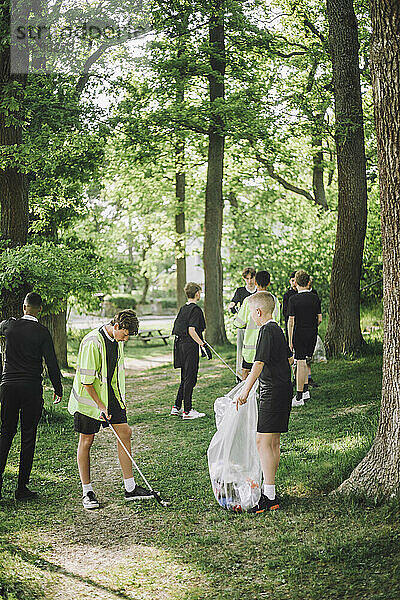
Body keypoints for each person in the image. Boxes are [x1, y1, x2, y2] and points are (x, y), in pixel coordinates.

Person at [68, 309, 153, 509]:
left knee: (125, 432)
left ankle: (130, 488)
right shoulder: (92, 342)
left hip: (110, 397)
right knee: (86, 440)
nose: (125, 339)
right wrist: (100, 405)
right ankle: (87, 492)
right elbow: (86, 381)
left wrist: (116, 401)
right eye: (124, 334)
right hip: (89, 401)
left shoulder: (117, 341)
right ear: (116, 326)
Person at [0, 292, 62, 500]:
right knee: (28, 436)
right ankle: (21, 489)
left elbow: (2, 325)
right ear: (40, 310)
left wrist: (10, 321)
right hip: (31, 388)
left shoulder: (10, 327)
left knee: (6, 432)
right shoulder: (42, 332)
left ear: (24, 307)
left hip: (8, 386)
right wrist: (58, 388)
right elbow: (52, 363)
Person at [236, 291, 293, 512]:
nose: (251, 316)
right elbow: (289, 358)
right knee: (273, 443)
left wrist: (245, 391)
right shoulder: (277, 329)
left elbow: (257, 365)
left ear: (258, 311)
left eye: (251, 312)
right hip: (283, 388)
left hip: (272, 391)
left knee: (262, 442)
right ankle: (271, 490)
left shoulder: (265, 331)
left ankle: (269, 496)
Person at [171, 282, 211, 420]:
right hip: (189, 346)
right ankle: (187, 411)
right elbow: (191, 330)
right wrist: (203, 345)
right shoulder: (196, 309)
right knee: (190, 378)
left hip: (179, 345)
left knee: (185, 377)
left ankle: (176, 407)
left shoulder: (183, 308)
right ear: (197, 293)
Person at [235, 271, 280, 380]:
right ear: (269, 283)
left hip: (250, 347)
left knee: (246, 371)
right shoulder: (274, 300)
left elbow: (239, 323)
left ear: (255, 282)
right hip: (268, 343)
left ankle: (245, 393)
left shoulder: (248, 301)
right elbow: (276, 320)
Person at [288, 270, 322, 406]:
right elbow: (319, 319)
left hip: (299, 333)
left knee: (300, 363)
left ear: (295, 283)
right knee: (306, 361)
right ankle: (306, 391)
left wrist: (290, 340)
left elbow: (291, 322)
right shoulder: (315, 297)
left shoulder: (293, 299)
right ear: (308, 282)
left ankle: (298, 397)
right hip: (312, 333)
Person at [227, 267, 257, 381]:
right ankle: (240, 376)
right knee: (241, 351)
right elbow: (232, 303)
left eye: (251, 278)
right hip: (243, 327)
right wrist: (232, 307)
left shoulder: (258, 291)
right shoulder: (240, 291)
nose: (249, 281)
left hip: (256, 327)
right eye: (247, 278)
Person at [282, 271, 297, 342]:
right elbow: (284, 312)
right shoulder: (287, 295)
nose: (294, 283)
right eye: (292, 280)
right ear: (290, 281)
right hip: (290, 323)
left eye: (296, 281)